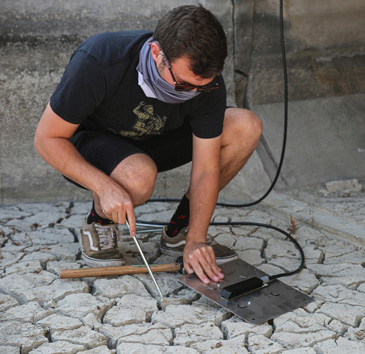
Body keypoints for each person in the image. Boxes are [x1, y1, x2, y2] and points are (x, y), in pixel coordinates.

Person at [34, 5, 262, 285]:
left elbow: (205, 169)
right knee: (138, 176)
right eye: (182, 84)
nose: (191, 94)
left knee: (246, 126)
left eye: (201, 87)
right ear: (157, 54)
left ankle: (180, 232)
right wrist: (105, 187)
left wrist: (197, 240)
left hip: (154, 139)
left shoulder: (207, 84)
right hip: (92, 144)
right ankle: (99, 223)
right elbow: (46, 138)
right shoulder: (101, 59)